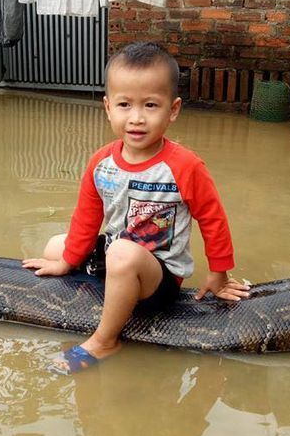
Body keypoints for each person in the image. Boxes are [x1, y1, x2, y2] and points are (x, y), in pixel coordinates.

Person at [22, 42, 249, 373]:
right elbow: (86, 219)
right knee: (55, 246)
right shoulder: (101, 162)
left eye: (151, 105)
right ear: (108, 107)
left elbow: (213, 219)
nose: (137, 118)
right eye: (125, 104)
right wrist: (68, 261)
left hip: (160, 274)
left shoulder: (185, 165)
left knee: (122, 254)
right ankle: (109, 290)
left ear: (172, 110)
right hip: (120, 253)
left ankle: (105, 341)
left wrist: (219, 273)